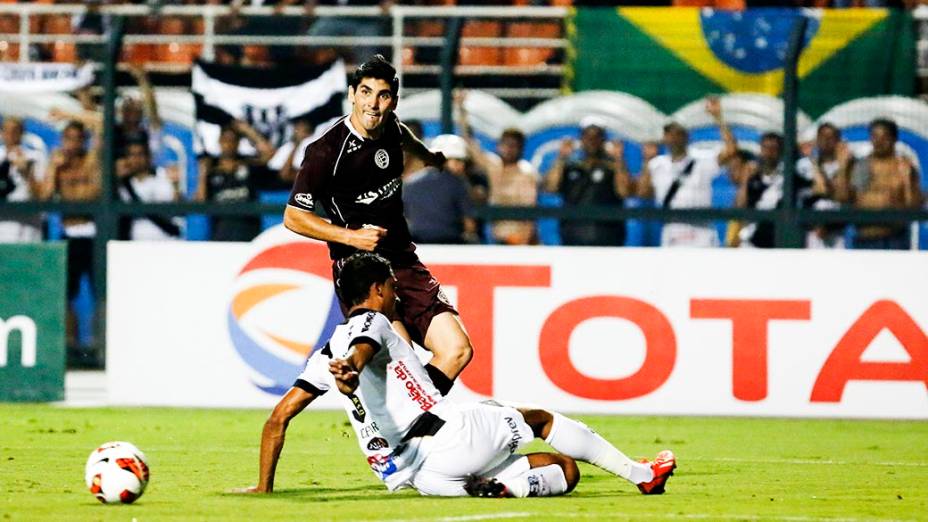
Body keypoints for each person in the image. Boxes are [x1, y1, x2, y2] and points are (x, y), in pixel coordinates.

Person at [237, 252, 677, 498]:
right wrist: (351, 368)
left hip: (424, 479)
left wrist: (263, 487)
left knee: (564, 470)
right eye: (391, 286)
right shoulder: (371, 322)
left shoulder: (323, 353)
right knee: (539, 419)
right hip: (450, 438)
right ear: (375, 291)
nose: (395, 294)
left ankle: (505, 487)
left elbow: (277, 420)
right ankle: (641, 475)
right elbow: (362, 346)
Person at [283, 55, 472, 396]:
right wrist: (349, 236)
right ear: (352, 93)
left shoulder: (391, 127)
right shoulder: (325, 151)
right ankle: (409, 432)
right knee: (405, 366)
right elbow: (293, 217)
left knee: (458, 350)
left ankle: (414, 424)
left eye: (382, 95)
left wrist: (430, 157)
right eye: (366, 92)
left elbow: (406, 139)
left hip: (404, 261)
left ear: (393, 101)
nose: (373, 103)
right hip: (361, 271)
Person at [637, 97, 738, 247]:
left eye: (678, 134)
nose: (673, 138)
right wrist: (646, 160)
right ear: (664, 137)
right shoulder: (656, 165)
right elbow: (642, 193)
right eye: (669, 134)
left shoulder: (702, 160)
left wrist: (718, 118)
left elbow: (731, 151)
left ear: (686, 136)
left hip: (701, 230)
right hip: (672, 230)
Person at [48, 119, 102, 352]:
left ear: (84, 140)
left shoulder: (92, 161)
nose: (73, 143)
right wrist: (53, 168)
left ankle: (100, 346)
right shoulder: (58, 164)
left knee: (101, 294)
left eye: (78, 138)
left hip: (92, 234)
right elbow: (46, 195)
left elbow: (100, 123)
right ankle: (69, 346)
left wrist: (67, 112)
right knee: (64, 295)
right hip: (68, 233)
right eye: (68, 138)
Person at [457, 93, 539, 245]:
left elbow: (529, 211)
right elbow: (469, 142)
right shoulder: (494, 166)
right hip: (497, 236)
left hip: (520, 239)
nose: (508, 149)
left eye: (513, 146)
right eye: (505, 144)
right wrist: (461, 109)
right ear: (498, 145)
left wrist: (526, 240)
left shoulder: (526, 172)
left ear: (521, 149)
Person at [543, 117, 631, 246]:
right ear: (581, 139)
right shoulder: (570, 166)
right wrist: (561, 157)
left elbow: (624, 192)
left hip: (608, 238)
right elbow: (550, 187)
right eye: (587, 136)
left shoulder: (612, 167)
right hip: (573, 238)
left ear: (603, 140)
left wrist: (619, 159)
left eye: (596, 137)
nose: (592, 141)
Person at [842, 118, 922, 250]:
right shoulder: (862, 166)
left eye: (884, 137)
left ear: (894, 139)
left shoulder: (903, 167)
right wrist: (844, 168)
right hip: (865, 238)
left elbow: (913, 205)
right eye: (875, 136)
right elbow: (849, 199)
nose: (879, 142)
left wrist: (907, 180)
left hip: (895, 239)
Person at [195, 120, 274, 241]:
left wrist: (248, 131)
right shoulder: (211, 169)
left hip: (248, 232)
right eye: (225, 140)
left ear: (238, 143)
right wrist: (203, 173)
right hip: (221, 234)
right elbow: (200, 201)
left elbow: (269, 154)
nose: (228, 144)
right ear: (219, 141)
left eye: (233, 140)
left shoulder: (247, 164)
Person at [402, 134, 478, 244]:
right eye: (456, 160)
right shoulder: (458, 183)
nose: (461, 165)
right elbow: (470, 225)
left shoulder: (410, 182)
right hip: (451, 245)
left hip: (417, 245)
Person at [796, 123, 854, 249]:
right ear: (816, 140)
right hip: (811, 232)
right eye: (822, 137)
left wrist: (843, 166)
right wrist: (814, 162)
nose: (826, 141)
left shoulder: (849, 165)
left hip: (839, 232)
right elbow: (820, 189)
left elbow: (843, 195)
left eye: (831, 137)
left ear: (839, 141)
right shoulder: (804, 164)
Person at [116, 139, 183, 241]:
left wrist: (176, 185)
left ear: (149, 156)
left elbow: (177, 206)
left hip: (165, 242)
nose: (136, 159)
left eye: (140, 154)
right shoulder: (123, 185)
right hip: (133, 244)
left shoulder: (163, 177)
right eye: (132, 155)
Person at [0, 117, 50, 242]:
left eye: (15, 131)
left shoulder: (36, 157)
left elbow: (42, 195)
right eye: (6, 131)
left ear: (22, 133)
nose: (10, 135)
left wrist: (27, 173)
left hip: (28, 230)